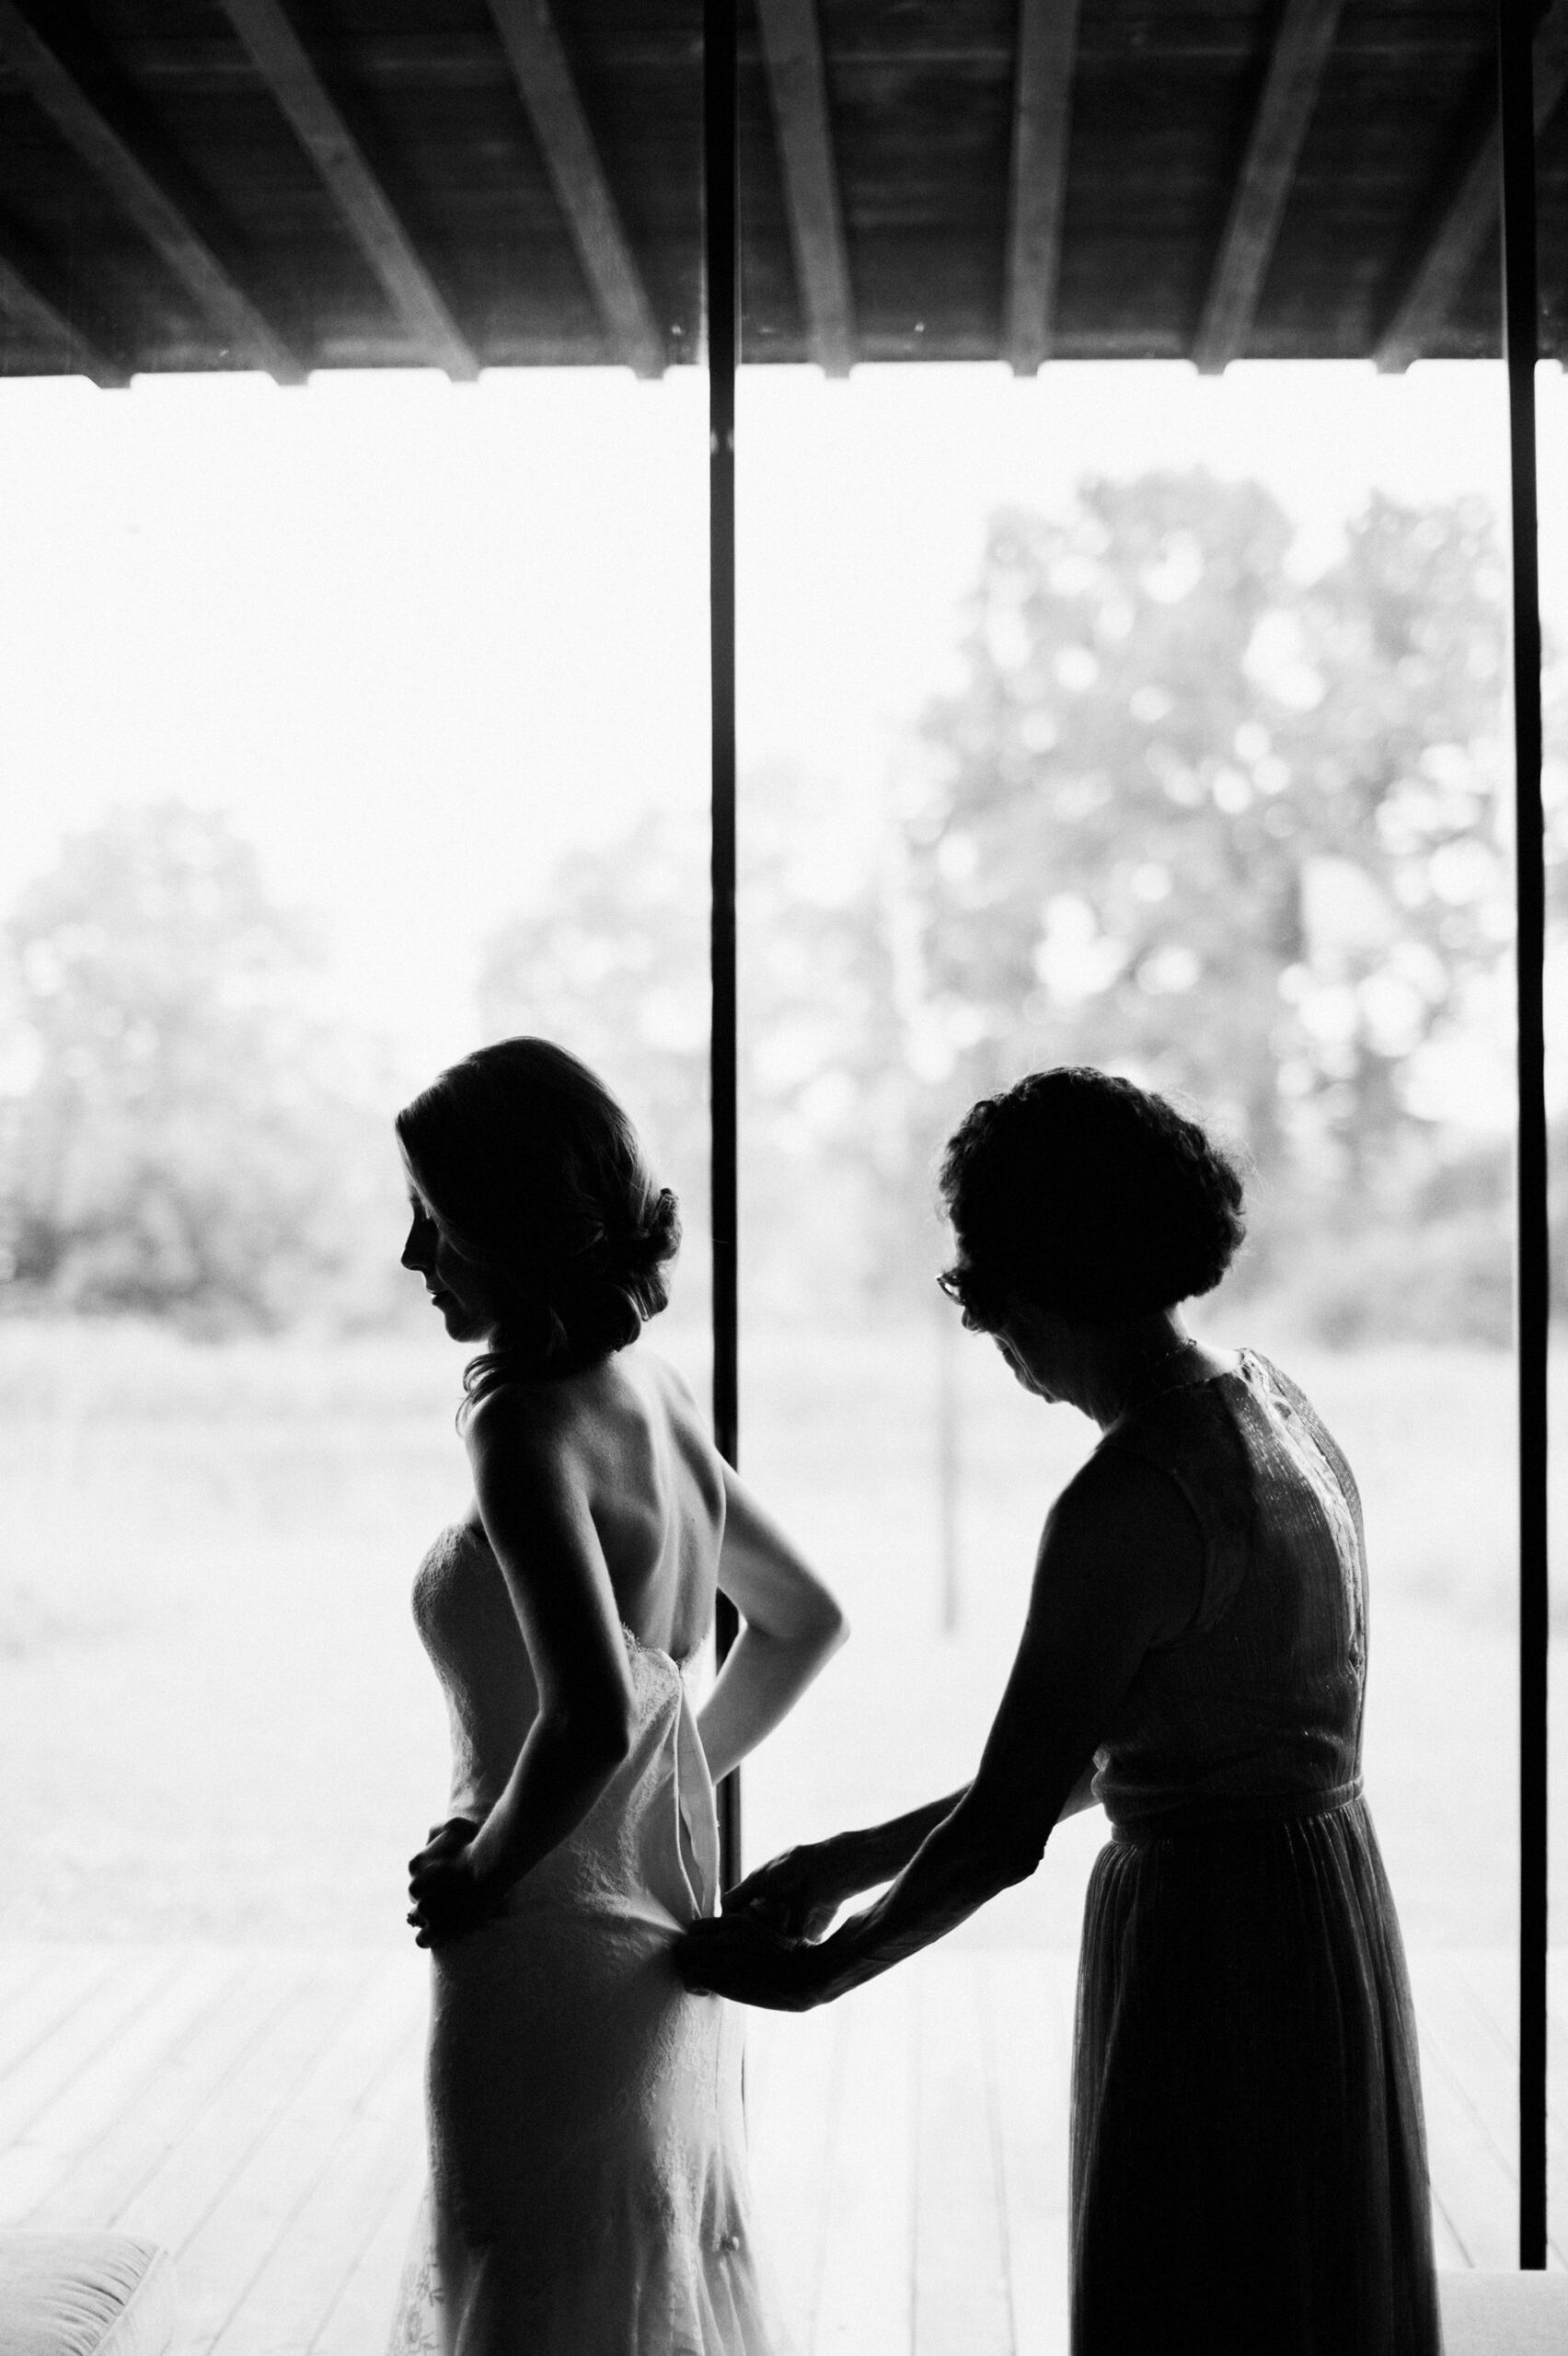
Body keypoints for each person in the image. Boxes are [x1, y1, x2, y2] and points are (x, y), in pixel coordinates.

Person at [679, 1066, 1442, 2356]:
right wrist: (849, 1861)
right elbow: (1140, 1734)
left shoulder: (1125, 1503)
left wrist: (819, 1974)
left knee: (1205, 2288)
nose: (985, 1325)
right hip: (1325, 1906)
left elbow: (1009, 1828)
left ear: (1038, 1275)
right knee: (1306, 2281)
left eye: (979, 1281)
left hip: (1212, 1940)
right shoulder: (1276, 1411)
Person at [385, 1037, 846, 2356]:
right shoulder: (654, 1388)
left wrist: (483, 1869)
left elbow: (585, 1712)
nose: (415, 1259)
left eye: (434, 1220)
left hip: (539, 1943)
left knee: (535, 2282)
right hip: (657, 1928)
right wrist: (670, 1772)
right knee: (633, 2274)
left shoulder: (519, 1427)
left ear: (510, 1226)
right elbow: (802, 1623)